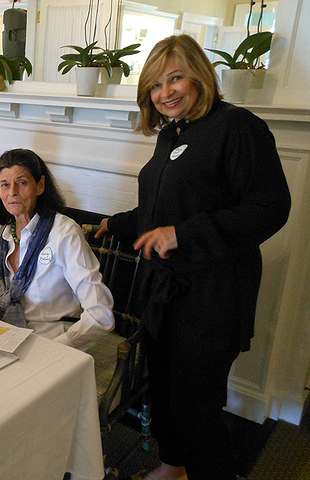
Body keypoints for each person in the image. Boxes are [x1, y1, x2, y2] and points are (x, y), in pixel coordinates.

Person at [95, 35, 291, 480]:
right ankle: (173, 465)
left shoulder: (238, 127)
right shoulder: (171, 135)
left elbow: (270, 208)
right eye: (156, 85)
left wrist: (181, 235)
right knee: (162, 389)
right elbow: (161, 208)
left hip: (213, 296)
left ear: (200, 76)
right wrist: (119, 223)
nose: (165, 93)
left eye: (176, 78)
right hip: (166, 292)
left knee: (196, 405)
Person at [0, 149, 115, 351]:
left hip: (52, 342)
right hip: (5, 336)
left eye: (21, 183)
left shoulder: (64, 233)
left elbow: (100, 313)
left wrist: (61, 346)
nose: (12, 192)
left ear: (40, 185)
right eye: (5, 185)